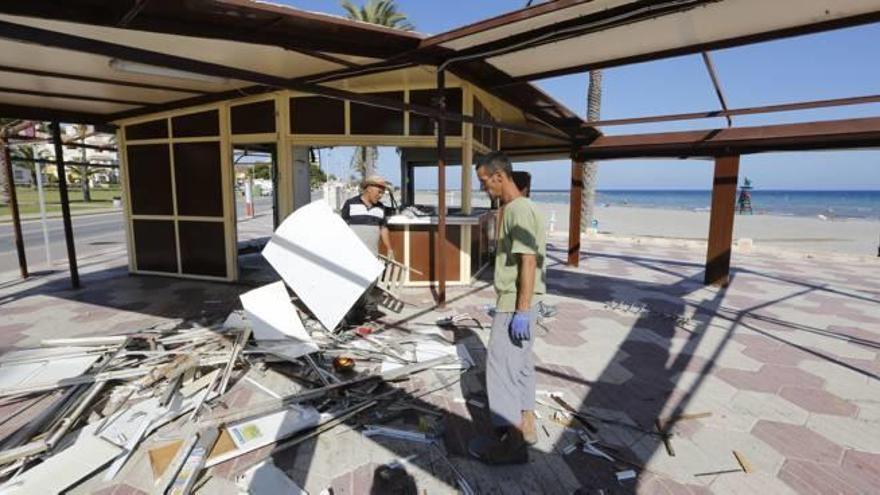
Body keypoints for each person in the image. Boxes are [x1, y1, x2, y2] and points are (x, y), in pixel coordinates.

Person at [469, 152, 546, 465]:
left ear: (499, 177)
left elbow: (528, 260)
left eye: (485, 182)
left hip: (516, 302)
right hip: (520, 299)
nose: (485, 189)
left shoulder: (518, 210)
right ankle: (526, 427)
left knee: (500, 371)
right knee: (521, 366)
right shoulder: (519, 208)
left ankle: (512, 445)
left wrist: (521, 309)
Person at [340, 175, 394, 324]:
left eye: (383, 192)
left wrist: (389, 248)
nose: (381, 194)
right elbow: (340, 228)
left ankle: (364, 312)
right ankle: (353, 314)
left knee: (370, 284)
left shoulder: (380, 208)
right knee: (353, 285)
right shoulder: (350, 205)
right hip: (352, 256)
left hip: (372, 255)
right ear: (368, 188)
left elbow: (383, 228)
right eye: (379, 191)